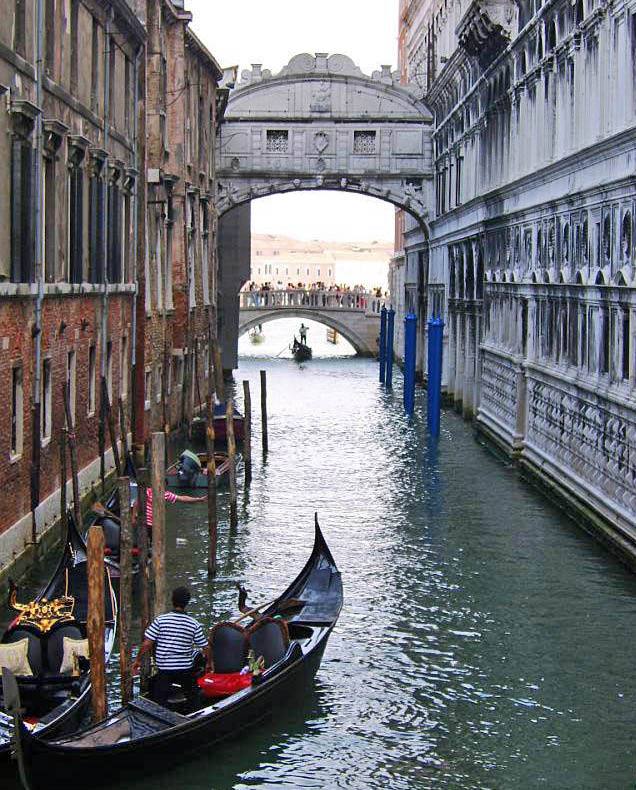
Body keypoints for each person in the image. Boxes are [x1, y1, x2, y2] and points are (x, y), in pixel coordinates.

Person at [132, 586, 208, 706]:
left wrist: (137, 661)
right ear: (187, 603)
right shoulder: (194, 624)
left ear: (172, 600)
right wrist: (210, 664)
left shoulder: (160, 620)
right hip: (185, 669)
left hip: (165, 669)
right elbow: (205, 647)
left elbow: (147, 644)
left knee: (158, 700)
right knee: (193, 698)